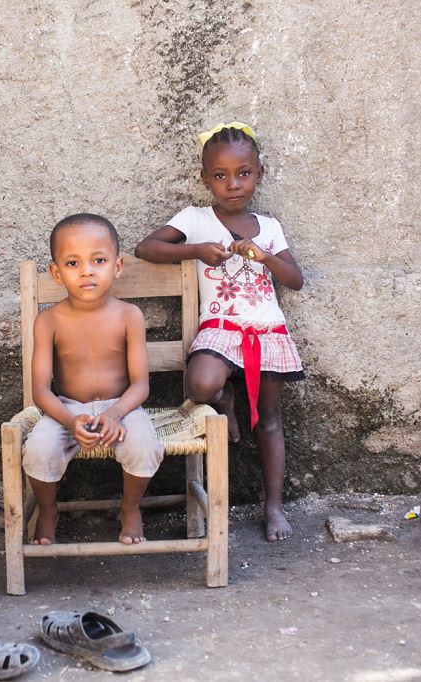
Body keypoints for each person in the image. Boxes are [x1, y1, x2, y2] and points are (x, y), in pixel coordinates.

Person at [134, 122, 304, 541]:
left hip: (266, 332)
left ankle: (274, 506)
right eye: (220, 175)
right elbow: (146, 248)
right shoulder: (194, 219)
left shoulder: (269, 226)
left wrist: (265, 257)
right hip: (220, 329)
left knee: (269, 419)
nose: (233, 184)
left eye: (243, 173)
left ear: (259, 174)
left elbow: (296, 279)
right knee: (201, 385)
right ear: (204, 178)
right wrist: (193, 250)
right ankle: (225, 397)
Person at [23, 213, 163, 545]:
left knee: (144, 446)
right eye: (73, 263)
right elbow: (41, 390)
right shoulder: (48, 320)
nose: (87, 270)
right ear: (57, 274)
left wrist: (114, 414)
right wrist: (71, 421)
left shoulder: (130, 316)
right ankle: (48, 509)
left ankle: (130, 508)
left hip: (122, 407)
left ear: (117, 266)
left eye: (98, 260)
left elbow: (141, 384)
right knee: (38, 450)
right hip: (66, 409)